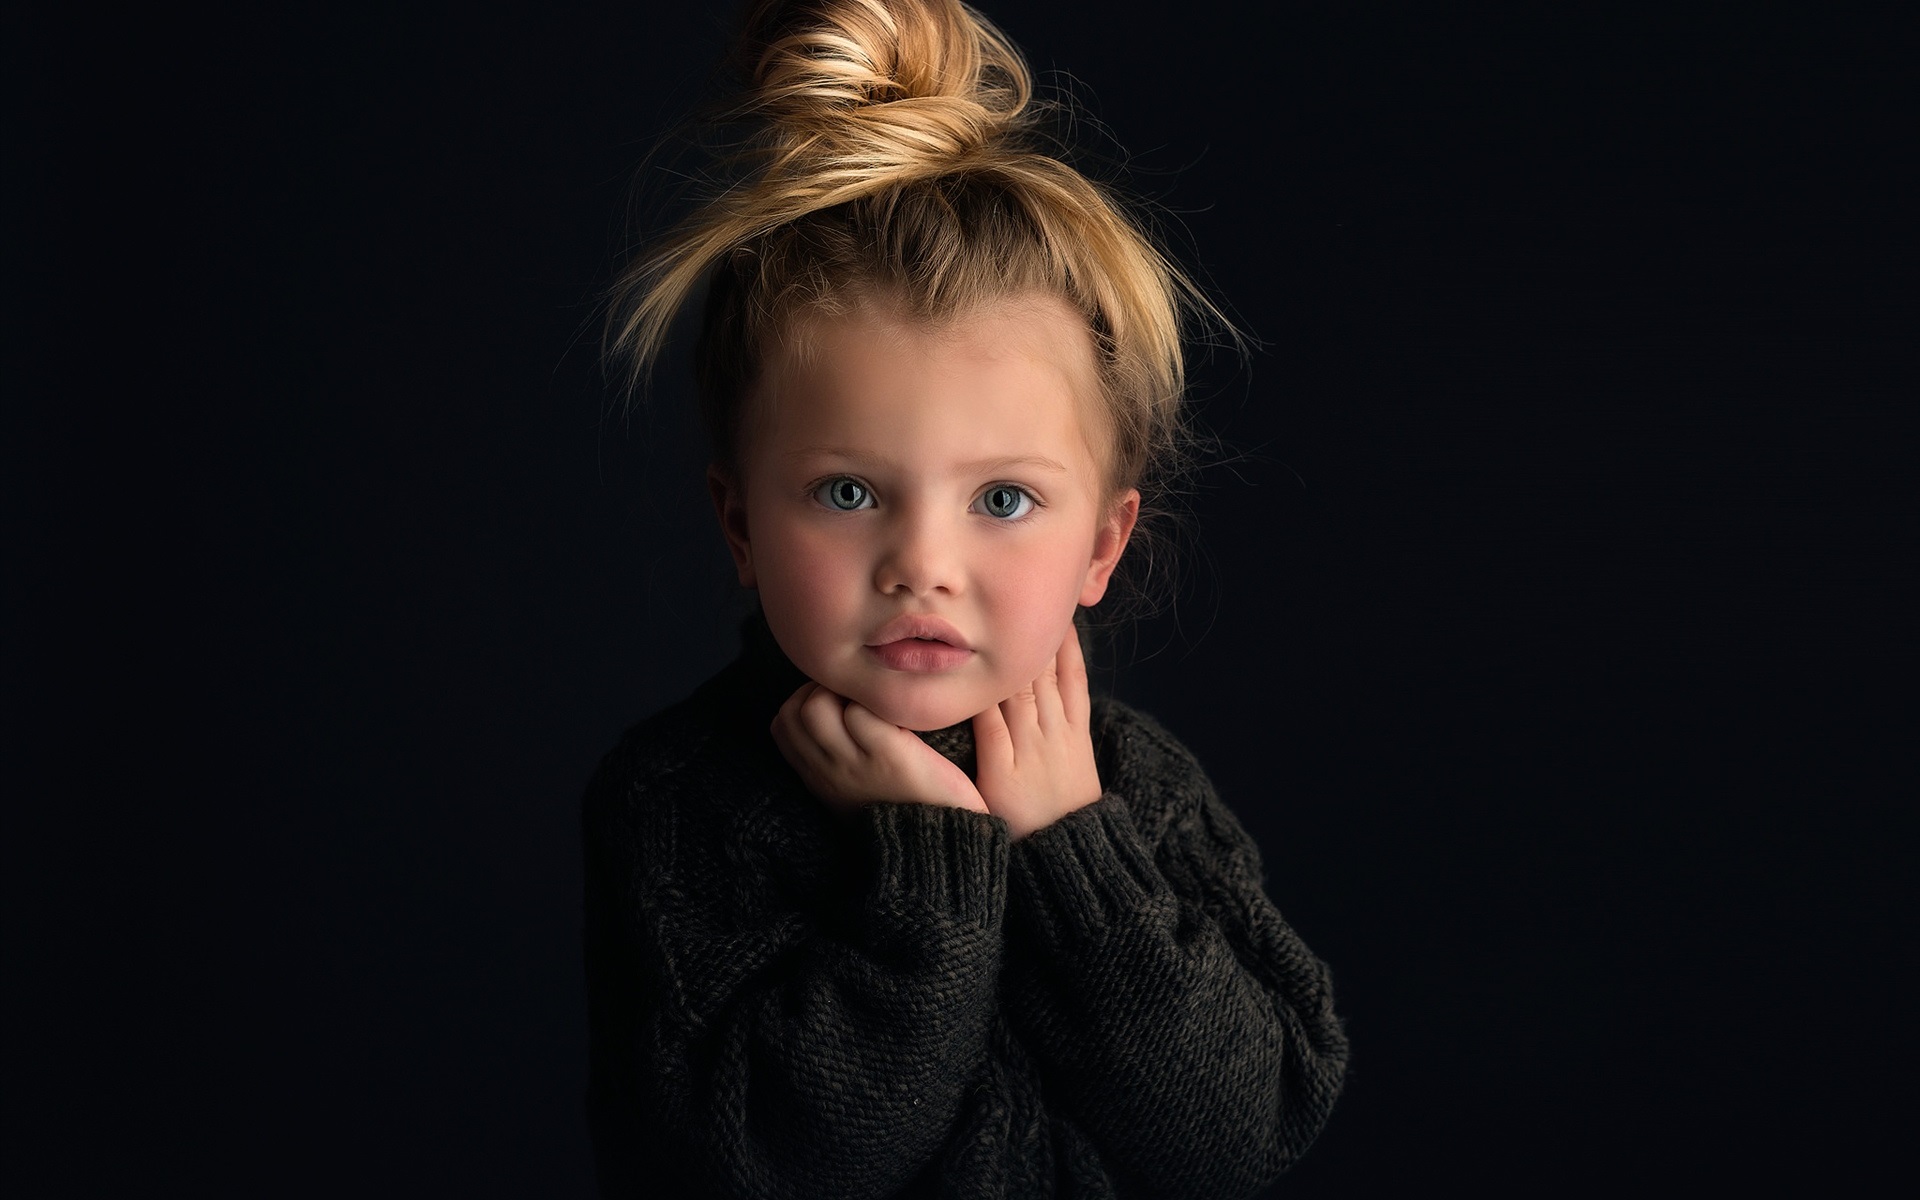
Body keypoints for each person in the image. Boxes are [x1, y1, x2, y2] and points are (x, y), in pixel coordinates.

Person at [579, 1, 1349, 1195]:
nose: (922, 564)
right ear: (740, 525)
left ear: (1102, 545)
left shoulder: (1132, 793)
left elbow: (1241, 1132)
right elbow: (764, 1162)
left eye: (1001, 501)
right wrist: (931, 862)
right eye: (846, 491)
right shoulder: (683, 807)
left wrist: (1070, 847)